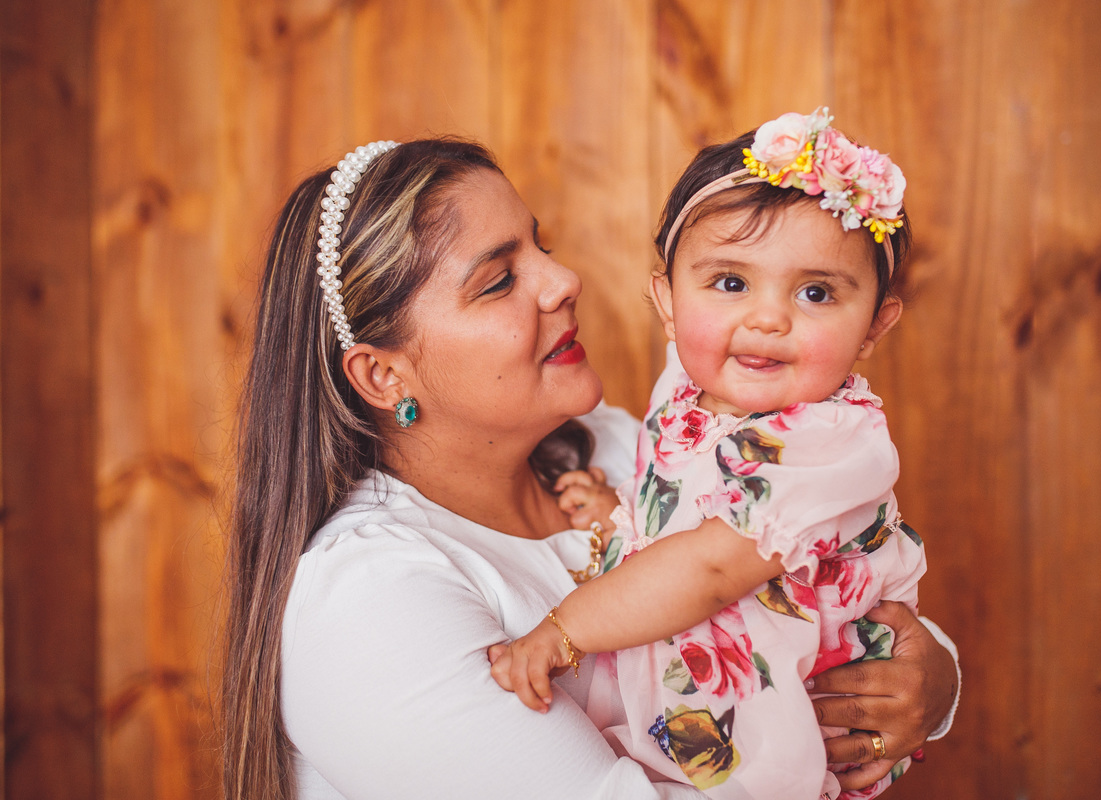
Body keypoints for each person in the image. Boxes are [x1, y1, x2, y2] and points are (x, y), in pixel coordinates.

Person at [222, 135, 960, 800]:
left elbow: (804, 580)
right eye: (498, 280)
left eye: (539, 246)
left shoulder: (608, 447)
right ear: (383, 376)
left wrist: (932, 680)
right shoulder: (371, 601)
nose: (563, 279)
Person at [489, 110, 933, 799]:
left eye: (816, 293)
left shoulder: (832, 439)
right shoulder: (692, 389)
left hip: (769, 741)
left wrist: (564, 632)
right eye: (730, 283)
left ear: (875, 324)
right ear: (667, 300)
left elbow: (711, 565)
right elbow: (686, 505)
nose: (767, 318)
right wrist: (624, 515)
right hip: (689, 729)